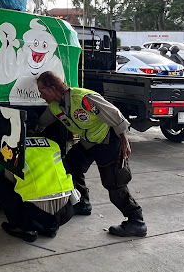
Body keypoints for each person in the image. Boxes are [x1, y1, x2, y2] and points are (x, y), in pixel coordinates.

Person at [34, 71, 147, 237]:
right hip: (89, 141)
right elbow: (41, 123)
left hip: (108, 139)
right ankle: (82, 203)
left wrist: (124, 138)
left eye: (42, 91)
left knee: (114, 182)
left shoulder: (83, 99)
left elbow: (114, 113)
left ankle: (136, 221)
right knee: (71, 164)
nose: (41, 95)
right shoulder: (55, 107)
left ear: (52, 88)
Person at [0, 137, 76, 242]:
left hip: (34, 215)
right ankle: (48, 226)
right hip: (66, 213)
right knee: (64, 166)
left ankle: (23, 228)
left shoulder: (11, 147)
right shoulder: (52, 143)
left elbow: (11, 181)